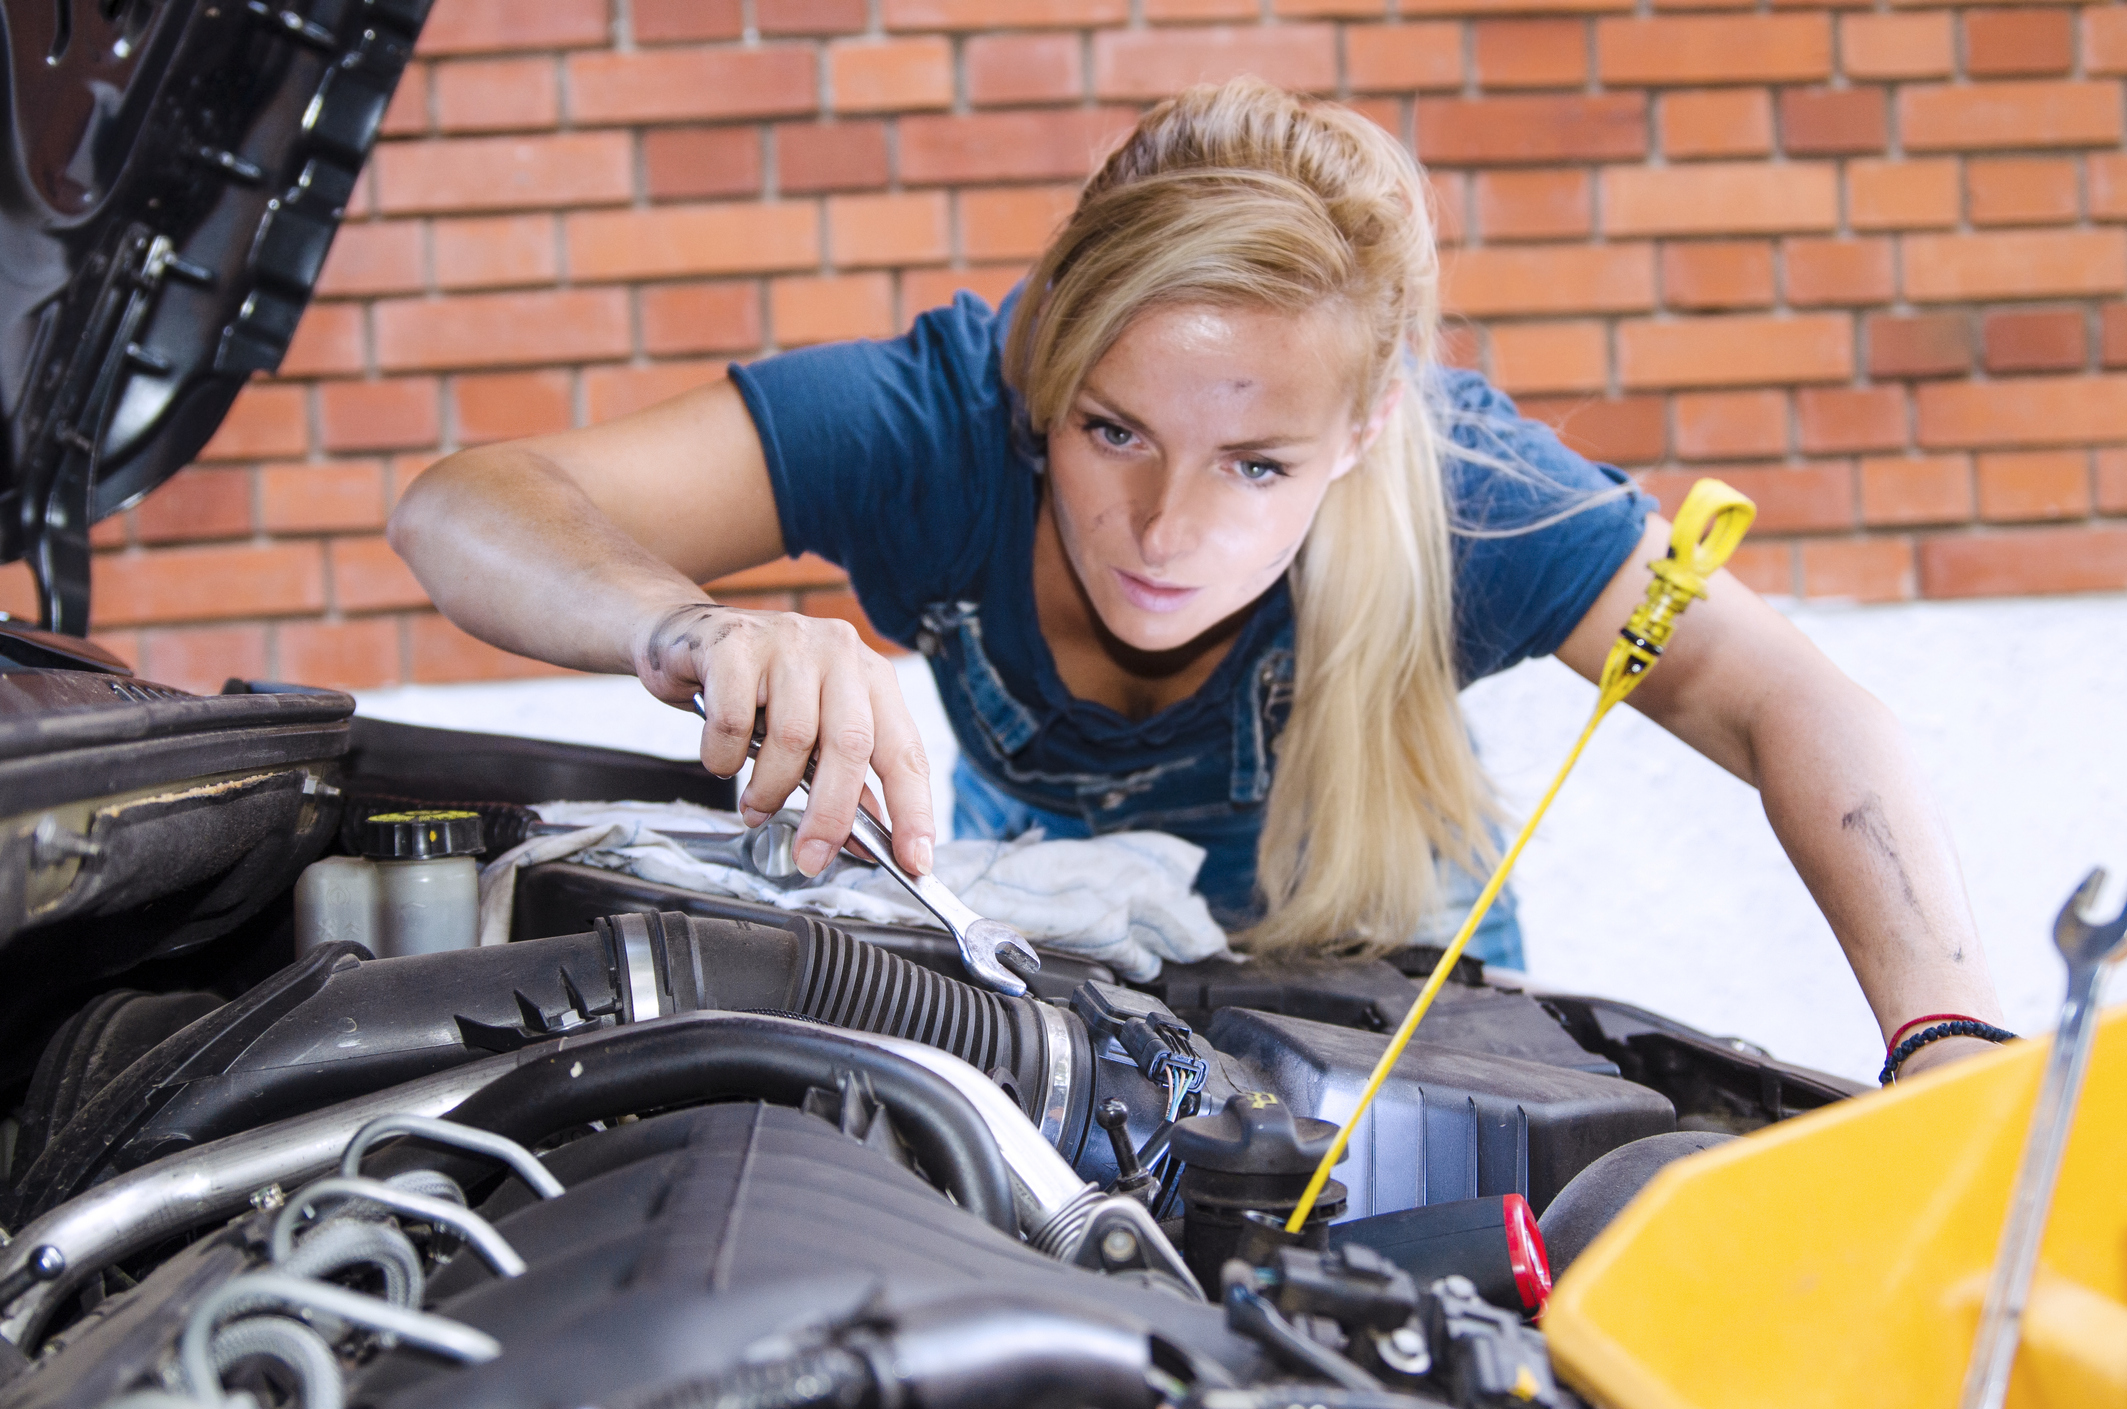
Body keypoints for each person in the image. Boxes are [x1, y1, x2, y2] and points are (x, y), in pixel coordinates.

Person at [389, 78, 2004, 1080]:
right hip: (1063, 911)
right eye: (1112, 429)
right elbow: (462, 505)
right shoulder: (938, 420)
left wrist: (1945, 1038)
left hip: (1388, 934)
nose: (1164, 528)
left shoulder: (1467, 490)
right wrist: (693, 621)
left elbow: (1789, 692)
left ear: (1364, 427)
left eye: (1257, 467)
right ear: (1044, 369)